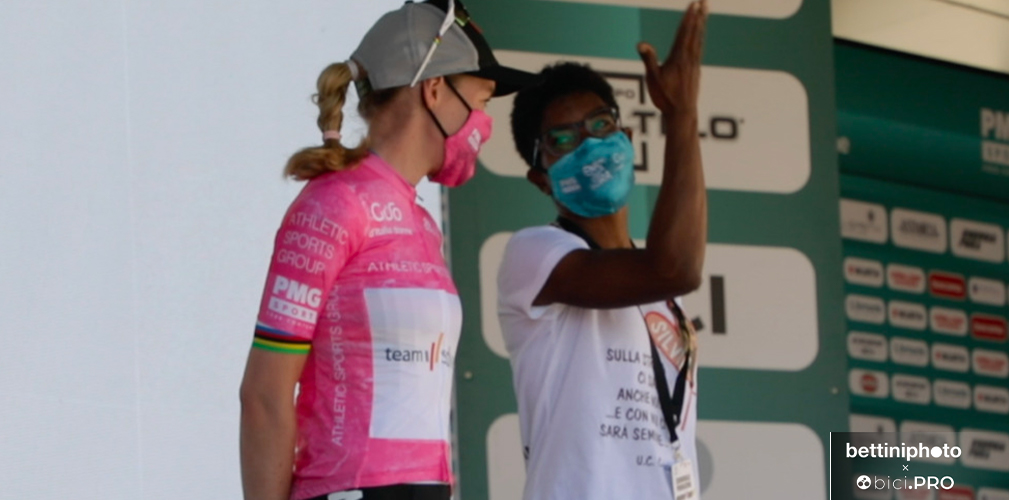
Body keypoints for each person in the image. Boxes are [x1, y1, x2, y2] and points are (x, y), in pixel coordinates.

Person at [238, 2, 537, 500]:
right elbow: (264, 393)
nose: (484, 123)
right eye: (481, 102)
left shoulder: (422, 222)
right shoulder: (333, 204)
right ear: (434, 89)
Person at [498, 1, 709, 499]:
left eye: (600, 126)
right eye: (563, 139)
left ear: (627, 138)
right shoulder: (536, 254)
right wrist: (681, 115)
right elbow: (675, 266)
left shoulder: (659, 290)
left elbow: (666, 270)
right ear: (540, 178)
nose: (589, 146)